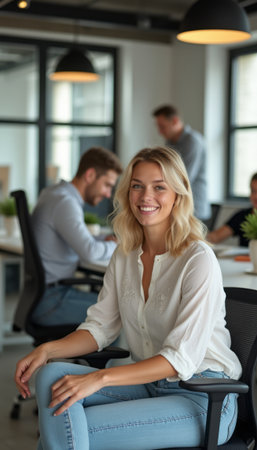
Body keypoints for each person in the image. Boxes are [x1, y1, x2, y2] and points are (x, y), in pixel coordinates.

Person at [15, 146, 241, 450]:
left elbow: (180, 359)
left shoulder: (197, 259)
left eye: (159, 187)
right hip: (147, 384)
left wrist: (101, 379)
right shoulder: (124, 255)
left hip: (202, 397)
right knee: (51, 376)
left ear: (178, 195)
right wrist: (48, 349)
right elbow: (99, 328)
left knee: (70, 431)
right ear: (127, 193)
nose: (146, 196)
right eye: (137, 186)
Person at [30, 146, 123, 326]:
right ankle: (101, 354)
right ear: (89, 175)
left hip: (41, 295)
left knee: (109, 305)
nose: (107, 194)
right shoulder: (66, 202)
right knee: (116, 313)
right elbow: (89, 252)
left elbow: (74, 238)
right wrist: (118, 244)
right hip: (51, 301)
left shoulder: (53, 193)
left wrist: (103, 240)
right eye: (107, 185)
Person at [153, 104, 210, 221]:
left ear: (175, 121)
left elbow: (185, 178)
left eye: (162, 127)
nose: (159, 132)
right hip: (178, 206)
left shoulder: (193, 142)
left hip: (194, 208)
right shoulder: (170, 143)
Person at [207, 172, 257, 247]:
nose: (255, 196)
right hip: (245, 258)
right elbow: (215, 237)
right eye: (253, 191)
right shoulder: (243, 216)